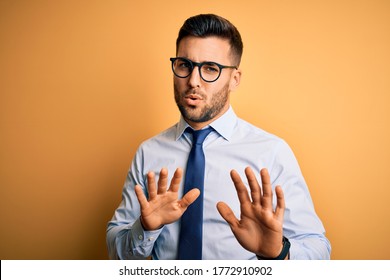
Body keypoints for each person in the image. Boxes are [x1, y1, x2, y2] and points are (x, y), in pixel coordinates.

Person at [106, 13, 331, 260]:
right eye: (184, 65)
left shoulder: (271, 152)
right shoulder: (149, 152)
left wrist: (278, 255)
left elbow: (318, 248)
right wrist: (146, 228)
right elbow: (118, 254)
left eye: (210, 69)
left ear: (234, 79)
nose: (193, 81)